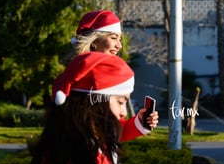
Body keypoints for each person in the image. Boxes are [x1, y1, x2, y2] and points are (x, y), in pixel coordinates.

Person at [28, 52, 199, 164]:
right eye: (120, 101)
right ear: (93, 102)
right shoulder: (82, 161)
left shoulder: (55, 152)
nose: (124, 112)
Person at [68, 9, 158, 141]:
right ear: (94, 41)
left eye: (119, 39)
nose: (119, 45)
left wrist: (140, 122)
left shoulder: (104, 74)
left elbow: (113, 132)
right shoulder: (79, 77)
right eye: (113, 37)